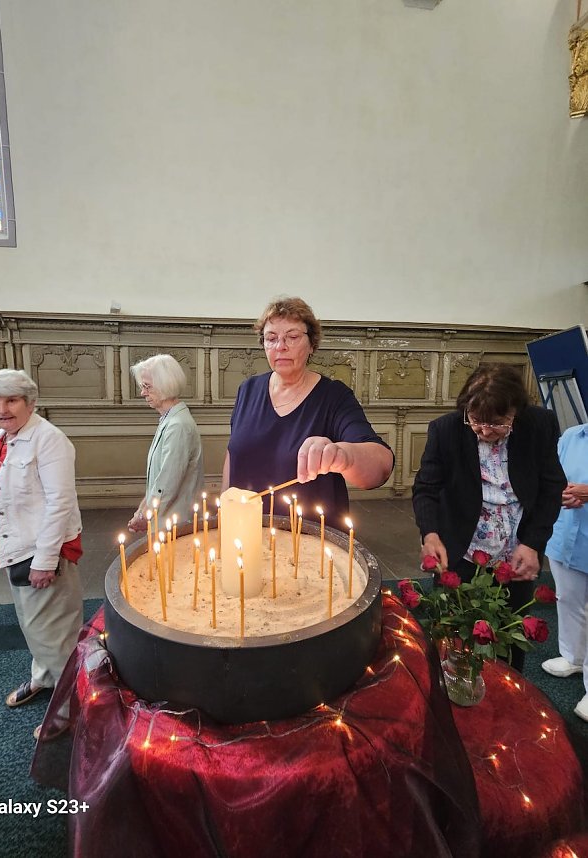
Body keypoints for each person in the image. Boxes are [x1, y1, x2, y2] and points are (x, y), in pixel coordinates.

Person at [412, 363, 566, 670]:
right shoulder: (446, 430)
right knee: (454, 637)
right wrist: (430, 535)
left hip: (516, 553)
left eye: (497, 424)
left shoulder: (540, 424)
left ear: (515, 413)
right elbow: (426, 489)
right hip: (461, 549)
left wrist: (533, 543)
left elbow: (551, 489)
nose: (484, 431)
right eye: (476, 422)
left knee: (507, 639)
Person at [0, 369, 83, 738]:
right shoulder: (0, 442)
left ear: (30, 403)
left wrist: (44, 561)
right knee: (32, 626)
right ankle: (43, 678)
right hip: (14, 547)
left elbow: (60, 504)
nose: (1, 409)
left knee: (54, 636)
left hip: (44, 552)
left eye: (11, 401)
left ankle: (70, 709)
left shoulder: (49, 440)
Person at [222, 297, 394, 529]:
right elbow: (233, 455)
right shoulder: (248, 389)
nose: (280, 346)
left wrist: (344, 455)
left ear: (312, 344)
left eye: (292, 337)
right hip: (247, 533)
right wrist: (224, 510)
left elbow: (380, 467)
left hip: (309, 540)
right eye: (271, 338)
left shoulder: (333, 397)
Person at [543, 423, 588, 721]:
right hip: (566, 536)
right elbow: (550, 475)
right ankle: (573, 656)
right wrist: (560, 492)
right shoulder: (573, 436)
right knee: (568, 600)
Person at [128, 353, 203, 531]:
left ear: (164, 385)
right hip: (166, 519)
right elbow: (158, 479)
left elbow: (167, 483)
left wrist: (144, 516)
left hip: (174, 523)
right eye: (142, 386)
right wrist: (142, 508)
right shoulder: (170, 420)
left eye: (147, 386)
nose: (142, 393)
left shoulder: (178, 425)